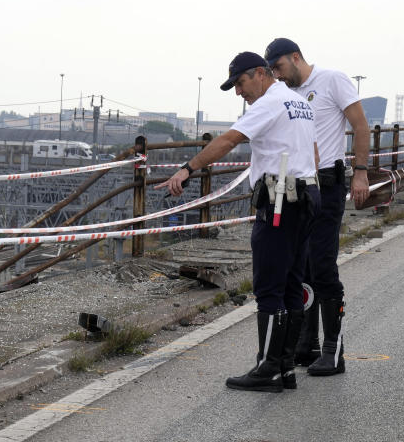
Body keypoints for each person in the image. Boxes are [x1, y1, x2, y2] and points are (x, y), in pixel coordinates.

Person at [158, 52, 319, 393]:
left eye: (241, 83)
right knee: (291, 284)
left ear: (261, 73)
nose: (238, 92)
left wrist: (188, 169)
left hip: (280, 201)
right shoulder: (297, 101)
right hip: (305, 198)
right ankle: (285, 367)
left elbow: (230, 139)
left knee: (269, 286)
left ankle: (268, 368)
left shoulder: (270, 102)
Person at [265, 38, 369, 376]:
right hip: (302, 185)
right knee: (302, 266)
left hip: (330, 183)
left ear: (296, 57)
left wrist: (362, 173)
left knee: (322, 266)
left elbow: (361, 125)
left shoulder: (332, 79)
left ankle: (333, 350)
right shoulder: (287, 93)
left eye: (279, 67)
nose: (277, 76)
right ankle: (306, 344)